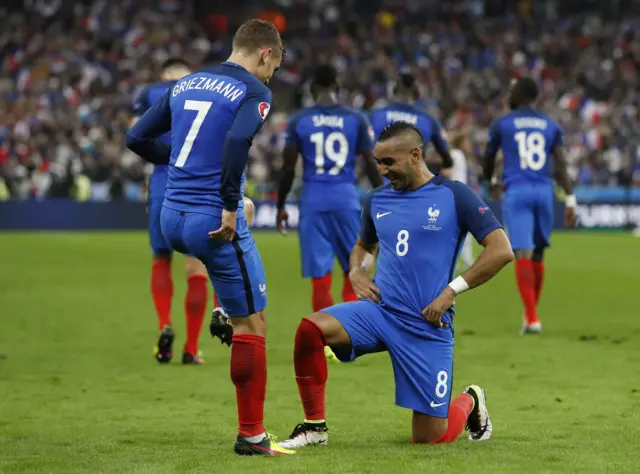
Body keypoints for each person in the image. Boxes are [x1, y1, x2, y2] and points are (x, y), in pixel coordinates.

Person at [279, 121, 514, 449]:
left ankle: (470, 401)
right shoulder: (376, 199)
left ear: (416, 155)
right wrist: (356, 271)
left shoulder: (454, 195)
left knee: (429, 439)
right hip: (380, 314)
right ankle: (314, 428)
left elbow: (501, 250)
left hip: (426, 324)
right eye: (378, 161)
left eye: (389, 162)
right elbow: (362, 247)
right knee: (309, 330)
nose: (381, 169)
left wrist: (450, 292)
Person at [126, 19, 293, 456]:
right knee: (253, 323)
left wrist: (179, 160)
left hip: (171, 216)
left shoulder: (187, 82)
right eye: (273, 66)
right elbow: (238, 141)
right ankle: (253, 436)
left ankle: (222, 308)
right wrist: (228, 200)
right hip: (210, 218)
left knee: (244, 227)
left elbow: (136, 137)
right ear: (265, 54)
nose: (271, 76)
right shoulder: (255, 91)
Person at [276, 65, 382, 362]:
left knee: (320, 276)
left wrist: (282, 205)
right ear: (337, 85)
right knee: (354, 271)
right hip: (346, 200)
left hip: (313, 201)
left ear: (311, 90)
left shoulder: (300, 120)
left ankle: (322, 340)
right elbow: (370, 164)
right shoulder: (355, 118)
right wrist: (385, 199)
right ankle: (351, 340)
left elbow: (288, 167)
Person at [483, 77, 577, 334]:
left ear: (520, 95)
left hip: (518, 190)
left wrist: (490, 180)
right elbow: (560, 164)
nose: (508, 96)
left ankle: (533, 317)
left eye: (511, 91)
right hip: (544, 190)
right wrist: (570, 198)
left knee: (522, 252)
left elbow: (489, 157)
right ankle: (531, 314)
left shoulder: (503, 124)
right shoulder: (550, 125)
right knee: (538, 253)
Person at [369, 72, 453, 178]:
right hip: (415, 187)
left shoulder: (375, 116)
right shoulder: (428, 120)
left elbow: (367, 156)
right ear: (416, 91)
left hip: (382, 185)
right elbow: (448, 160)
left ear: (394, 90)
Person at [450, 130, 475, 270]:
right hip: (457, 194)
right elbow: (447, 172)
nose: (469, 145)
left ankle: (464, 258)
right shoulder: (456, 154)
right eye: (466, 142)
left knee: (462, 227)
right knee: (464, 226)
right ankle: (466, 259)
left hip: (460, 193)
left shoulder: (460, 155)